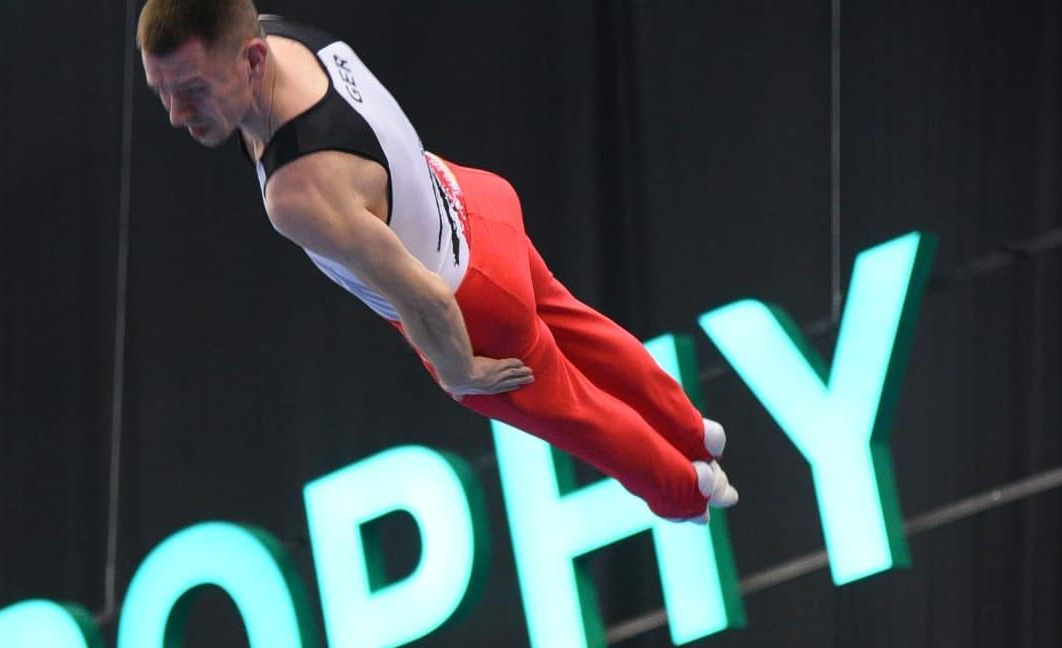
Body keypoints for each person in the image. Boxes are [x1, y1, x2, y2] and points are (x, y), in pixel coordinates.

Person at [136, 0, 739, 522]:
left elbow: (421, 293)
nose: (174, 115)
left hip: (472, 308)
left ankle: (692, 491)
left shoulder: (295, 195)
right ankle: (693, 428)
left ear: (251, 61)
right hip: (474, 198)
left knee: (582, 418)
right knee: (580, 327)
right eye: (160, 91)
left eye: (192, 91)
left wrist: (460, 372)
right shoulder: (276, 31)